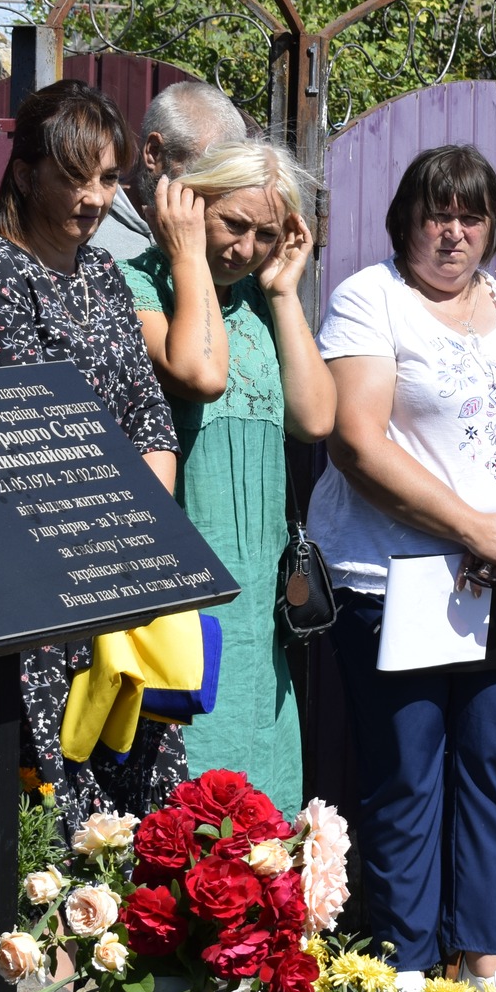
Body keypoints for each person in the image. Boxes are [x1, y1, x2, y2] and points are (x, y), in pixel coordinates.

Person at [309, 144, 496, 992]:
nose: (454, 230)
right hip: (394, 582)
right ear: (406, 219)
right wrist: (469, 527)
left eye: (471, 215)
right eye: (438, 212)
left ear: (492, 226)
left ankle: (488, 957)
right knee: (405, 770)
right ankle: (403, 960)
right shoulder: (370, 299)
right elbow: (357, 441)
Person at [0, 79, 183, 822]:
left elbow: (150, 417)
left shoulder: (105, 276)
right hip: (36, 593)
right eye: (74, 175)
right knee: (52, 813)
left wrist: (141, 536)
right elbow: (21, 441)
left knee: (134, 801)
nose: (94, 197)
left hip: (118, 578)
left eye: (108, 178)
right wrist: (109, 542)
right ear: (25, 171)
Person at [117, 139, 337, 815]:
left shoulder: (262, 305)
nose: (245, 247)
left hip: (256, 602)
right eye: (232, 223)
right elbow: (198, 372)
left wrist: (284, 292)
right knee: (186, 791)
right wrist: (186, 256)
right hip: (183, 592)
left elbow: (316, 416)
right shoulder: (137, 285)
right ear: (191, 205)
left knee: (262, 797)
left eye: (265, 234)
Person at [91, 80, 250, 265]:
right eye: (201, 177)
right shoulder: (89, 231)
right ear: (154, 152)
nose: (214, 198)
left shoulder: (220, 242)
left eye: (227, 184)